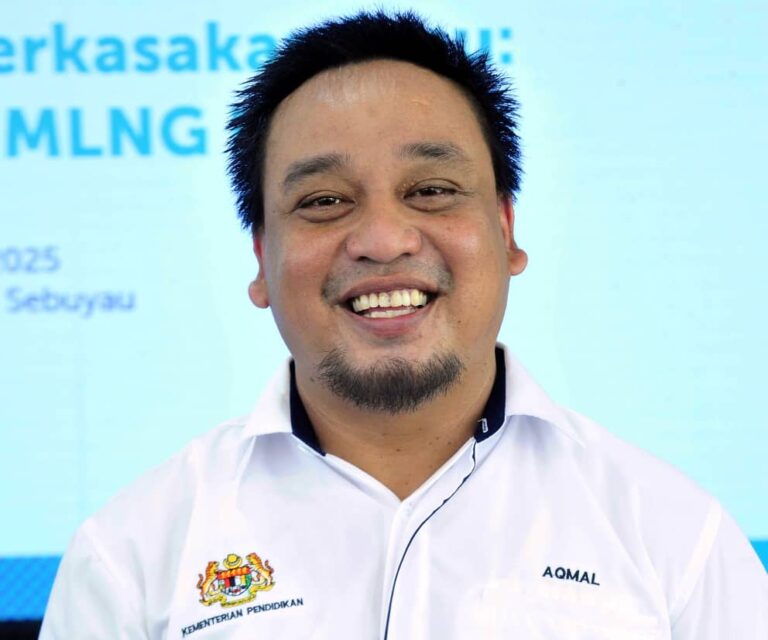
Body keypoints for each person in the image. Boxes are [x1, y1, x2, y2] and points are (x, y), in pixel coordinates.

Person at [40, 10, 767, 639]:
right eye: (324, 202)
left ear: (506, 230)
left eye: (432, 190)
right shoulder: (131, 556)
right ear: (262, 257)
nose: (383, 240)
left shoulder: (676, 539)